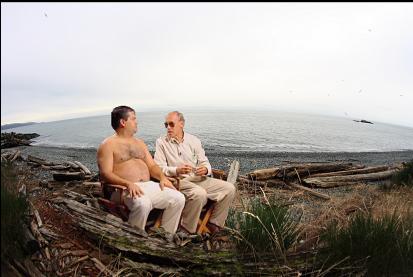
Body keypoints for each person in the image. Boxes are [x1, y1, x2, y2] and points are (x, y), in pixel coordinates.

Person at [97, 106, 185, 234]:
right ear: (123, 122)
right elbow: (105, 174)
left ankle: (164, 236)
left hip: (148, 186)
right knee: (143, 204)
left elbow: (152, 166)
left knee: (178, 198)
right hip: (123, 189)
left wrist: (162, 178)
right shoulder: (107, 145)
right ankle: (134, 239)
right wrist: (127, 183)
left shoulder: (140, 143)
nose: (136, 122)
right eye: (133, 119)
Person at [154, 111, 236, 235]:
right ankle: (186, 229)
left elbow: (205, 163)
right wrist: (176, 170)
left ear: (181, 124)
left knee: (229, 188)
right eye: (166, 125)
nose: (168, 128)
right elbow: (158, 168)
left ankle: (213, 223)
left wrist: (205, 169)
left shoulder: (194, 140)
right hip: (177, 181)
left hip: (198, 179)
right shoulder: (161, 142)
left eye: (171, 124)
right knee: (199, 194)